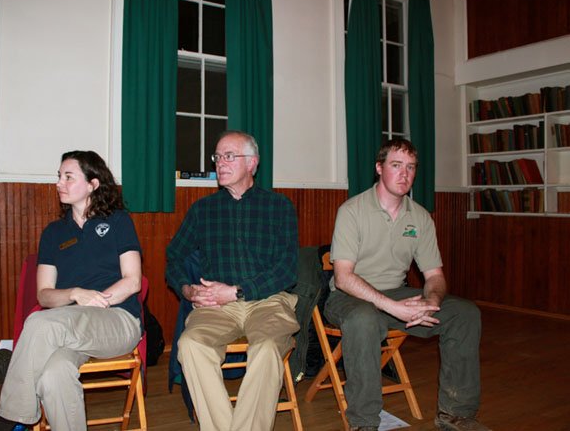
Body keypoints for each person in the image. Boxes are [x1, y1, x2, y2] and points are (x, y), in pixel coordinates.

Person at [324, 139, 489, 431]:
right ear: (379, 168)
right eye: (396, 165)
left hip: (396, 293)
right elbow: (344, 277)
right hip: (349, 297)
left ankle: (456, 414)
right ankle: (363, 423)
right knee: (364, 319)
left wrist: (431, 302)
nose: (404, 174)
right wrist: (393, 308)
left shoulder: (421, 217)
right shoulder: (352, 211)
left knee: (464, 313)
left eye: (411, 167)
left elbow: (435, 275)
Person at [0, 150, 143, 431]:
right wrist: (74, 294)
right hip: (67, 325)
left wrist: (95, 301)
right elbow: (44, 294)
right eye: (59, 177)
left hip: (117, 320)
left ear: (93, 184)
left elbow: (132, 281)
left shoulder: (119, 221)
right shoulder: (53, 233)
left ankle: (8, 419)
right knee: (52, 374)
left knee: (38, 323)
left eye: (68, 177)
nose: (59, 183)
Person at [166, 131, 300, 431]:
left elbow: (288, 269)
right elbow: (173, 257)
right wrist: (186, 290)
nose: (220, 163)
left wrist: (238, 291)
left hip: (268, 301)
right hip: (217, 306)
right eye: (217, 157)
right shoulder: (203, 210)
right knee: (190, 345)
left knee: (266, 349)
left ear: (252, 163)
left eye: (229, 156)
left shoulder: (279, 207)